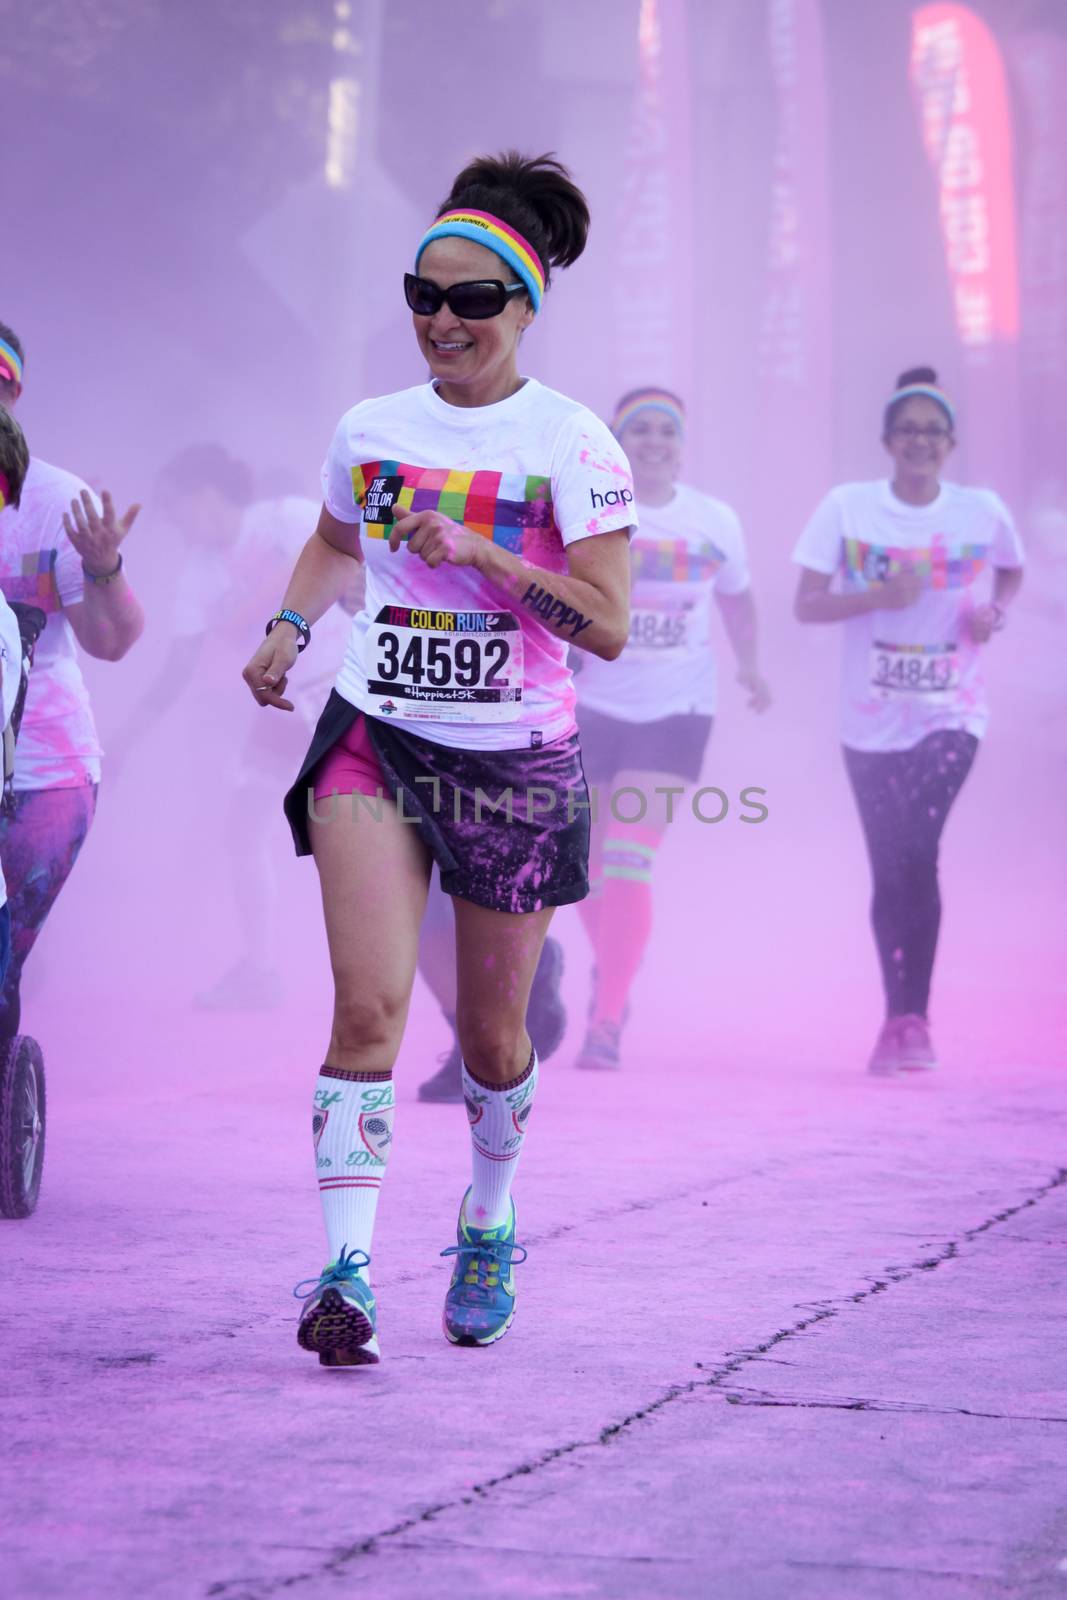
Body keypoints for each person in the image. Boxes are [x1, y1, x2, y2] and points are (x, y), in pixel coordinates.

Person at [241, 151, 635, 1365]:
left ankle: (488, 1215)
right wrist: (290, 624)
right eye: (424, 294)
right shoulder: (370, 428)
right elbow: (331, 539)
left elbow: (607, 627)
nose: (441, 321)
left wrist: (489, 557)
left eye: (472, 301)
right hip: (375, 731)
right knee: (365, 1008)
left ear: (522, 308)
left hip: (511, 759)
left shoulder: (572, 443)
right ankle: (345, 1276)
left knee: (488, 1041)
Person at [793, 366, 1024, 1076]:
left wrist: (991, 613)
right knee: (888, 866)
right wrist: (877, 596)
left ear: (948, 442)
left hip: (952, 712)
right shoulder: (847, 507)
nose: (920, 442)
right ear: (888, 441)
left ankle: (914, 1020)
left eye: (933, 432)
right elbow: (806, 603)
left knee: (917, 848)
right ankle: (896, 1016)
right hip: (867, 720)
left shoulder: (979, 511)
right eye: (908, 431)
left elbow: (1008, 571)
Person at [572, 388, 771, 1071]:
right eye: (640, 431)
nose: (653, 442)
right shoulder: (587, 511)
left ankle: (606, 1019)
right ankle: (613, 977)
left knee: (629, 856)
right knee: (590, 869)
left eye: (666, 431)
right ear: (617, 442)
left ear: (681, 445)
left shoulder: (713, 520)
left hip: (677, 710)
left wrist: (749, 666)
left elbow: (738, 599)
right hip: (591, 705)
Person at [112, 447, 326, 1007]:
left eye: (174, 506)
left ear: (206, 492)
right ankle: (260, 972)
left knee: (384, 826)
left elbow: (365, 564)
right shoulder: (199, 576)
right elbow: (175, 671)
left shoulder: (289, 518)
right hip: (288, 707)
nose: (174, 521)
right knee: (244, 825)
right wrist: (124, 743)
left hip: (353, 695)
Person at [0, 321, 144, 1048]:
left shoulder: (56, 501)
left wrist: (103, 568)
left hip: (41, 772)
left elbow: (111, 641)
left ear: (11, 394)